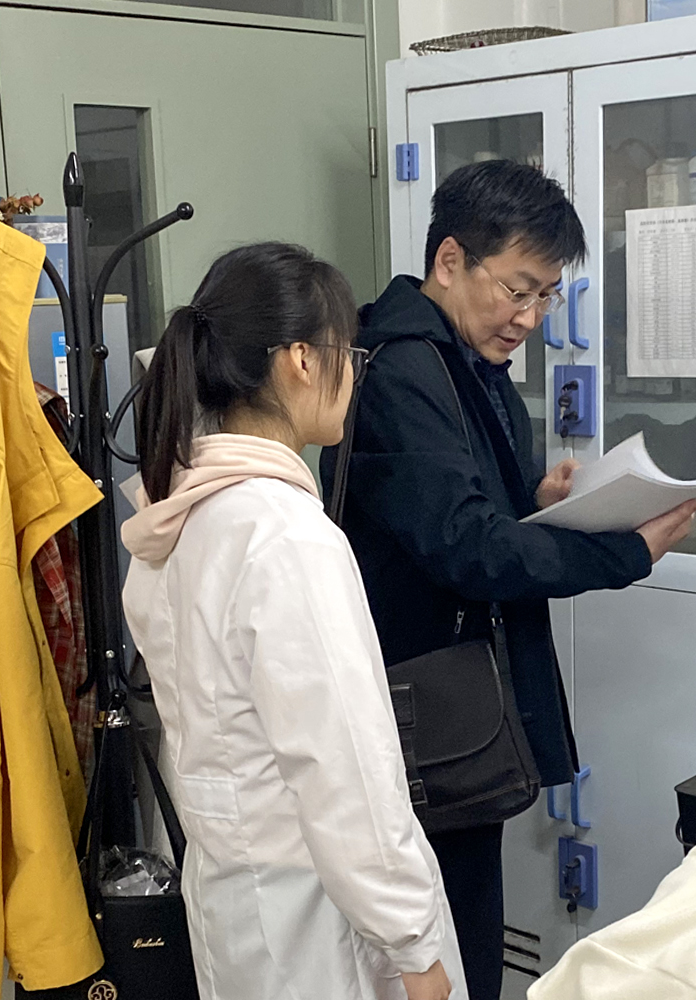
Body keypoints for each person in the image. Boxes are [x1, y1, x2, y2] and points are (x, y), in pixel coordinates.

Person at [324, 160, 696, 1000]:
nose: (529, 318)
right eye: (517, 291)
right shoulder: (404, 368)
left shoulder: (459, 357)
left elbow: (456, 513)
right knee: (445, 947)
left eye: (547, 296)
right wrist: (624, 553)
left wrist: (535, 501)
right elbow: (467, 550)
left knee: (465, 935)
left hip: (456, 700)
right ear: (450, 259)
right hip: (424, 708)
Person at [121, 243, 464, 1000]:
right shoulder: (287, 536)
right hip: (319, 924)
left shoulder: (177, 519)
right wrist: (414, 944)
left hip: (232, 901)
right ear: (302, 360)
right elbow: (345, 769)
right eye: (351, 355)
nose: (355, 376)